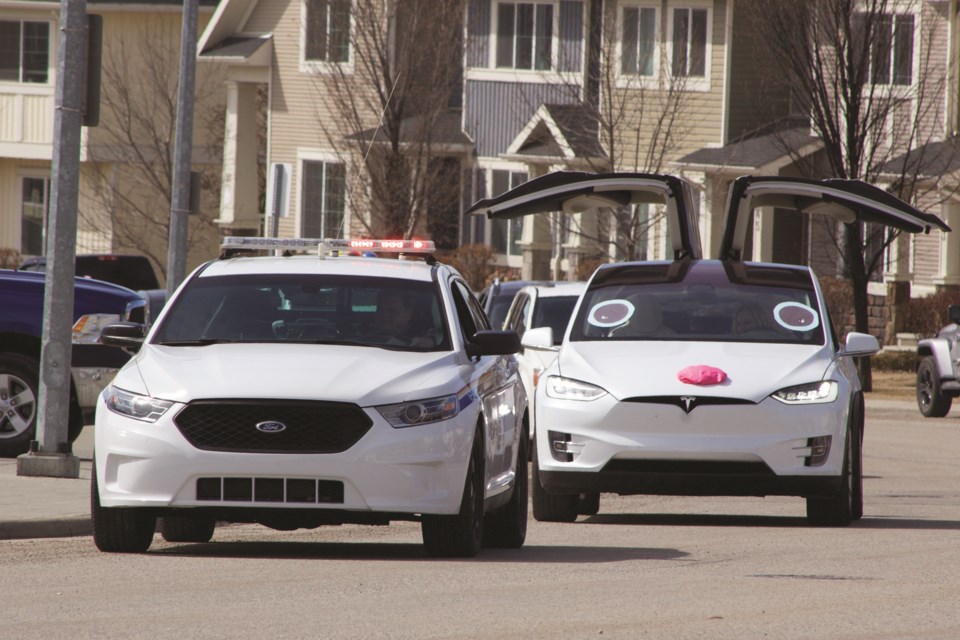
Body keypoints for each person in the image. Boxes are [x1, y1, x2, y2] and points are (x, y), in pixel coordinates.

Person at [370, 289, 435, 347]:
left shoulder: (421, 336)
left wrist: (431, 341)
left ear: (408, 314)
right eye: (380, 310)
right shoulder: (362, 331)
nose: (385, 316)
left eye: (392, 311)